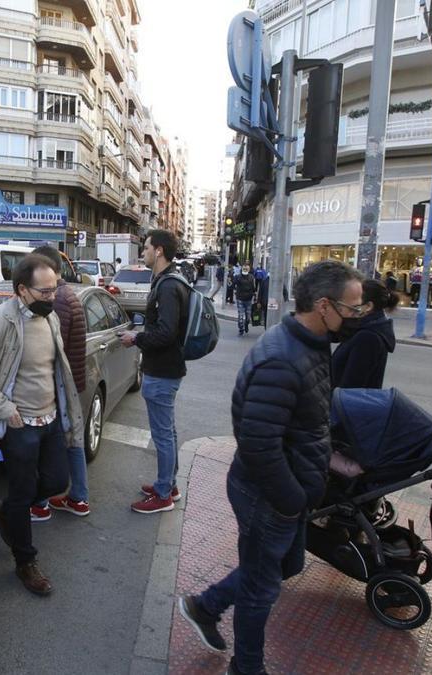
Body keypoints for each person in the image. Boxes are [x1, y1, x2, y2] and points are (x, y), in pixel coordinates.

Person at [176, 261, 365, 675]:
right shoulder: (283, 359)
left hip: (284, 491)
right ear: (323, 306)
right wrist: (291, 499)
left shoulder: (310, 343)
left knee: (280, 567)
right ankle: (247, 667)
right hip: (269, 495)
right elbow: (259, 444)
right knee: (261, 588)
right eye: (352, 308)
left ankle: (206, 606)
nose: (357, 315)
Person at [0, 254, 84, 596]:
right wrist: (1, 407)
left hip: (51, 418)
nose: (52, 297)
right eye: (44, 292)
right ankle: (25, 561)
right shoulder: (0, 322)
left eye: (55, 289)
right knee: (24, 494)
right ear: (22, 289)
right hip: (19, 425)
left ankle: (8, 509)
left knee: (58, 480)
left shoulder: (49, 317)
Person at [121, 229, 189, 514]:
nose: (143, 252)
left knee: (162, 434)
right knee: (167, 432)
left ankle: (163, 494)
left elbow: (165, 333)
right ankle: (168, 485)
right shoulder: (166, 280)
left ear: (159, 250)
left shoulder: (169, 286)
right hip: (164, 368)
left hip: (162, 370)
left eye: (146, 247)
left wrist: (135, 338)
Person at [30, 245, 90, 519]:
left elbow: (53, 346)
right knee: (73, 439)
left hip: (59, 384)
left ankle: (41, 503)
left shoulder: (60, 300)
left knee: (53, 444)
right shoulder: (69, 294)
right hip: (71, 380)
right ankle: (78, 497)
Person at [330, 279, 398, 389]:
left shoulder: (368, 338)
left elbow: (350, 389)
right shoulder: (364, 328)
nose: (346, 306)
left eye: (354, 303)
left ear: (368, 307)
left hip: (344, 405)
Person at [233, 263, 257, 337]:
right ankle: (241, 329)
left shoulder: (252, 277)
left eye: (247, 267)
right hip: (240, 299)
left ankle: (246, 324)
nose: (245, 268)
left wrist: (255, 296)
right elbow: (233, 284)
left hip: (248, 300)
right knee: (240, 315)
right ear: (242, 268)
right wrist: (234, 291)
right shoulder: (238, 277)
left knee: (248, 316)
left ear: (249, 269)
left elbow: (254, 288)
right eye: (244, 267)